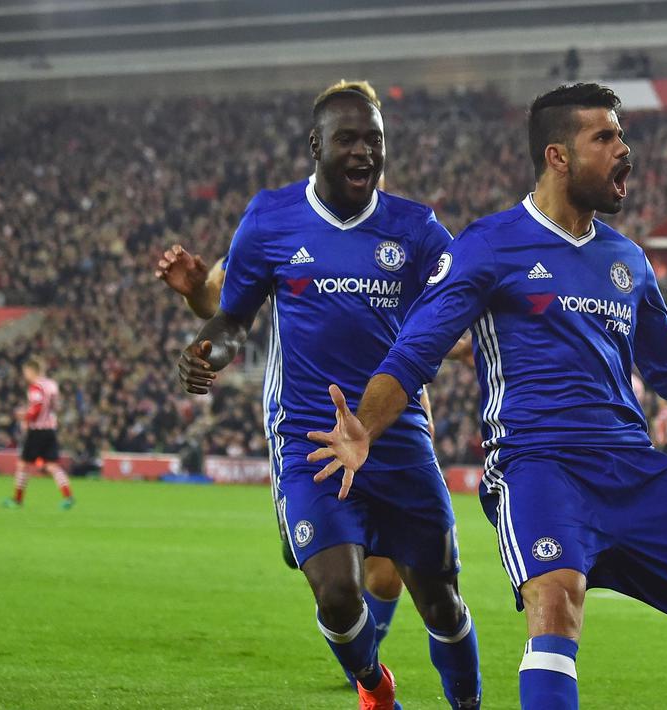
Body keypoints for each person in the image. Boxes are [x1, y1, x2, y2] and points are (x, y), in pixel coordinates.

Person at [306, 83, 667, 709]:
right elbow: (415, 351)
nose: (625, 151)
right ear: (558, 156)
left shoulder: (628, 261)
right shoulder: (489, 245)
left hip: (634, 469)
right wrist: (367, 424)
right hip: (538, 464)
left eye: (622, 135)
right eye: (606, 137)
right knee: (555, 602)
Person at [175, 80, 481, 709]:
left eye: (375, 139)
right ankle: (374, 687)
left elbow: (464, 312)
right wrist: (212, 348)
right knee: (339, 593)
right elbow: (234, 317)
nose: (364, 151)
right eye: (348, 138)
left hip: (397, 440)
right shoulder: (271, 217)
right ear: (315, 144)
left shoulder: (417, 229)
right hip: (310, 439)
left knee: (442, 599)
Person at [156, 241, 407, 689]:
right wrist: (195, 293)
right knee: (330, 578)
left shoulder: (405, 233)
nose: (367, 169)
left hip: (387, 418)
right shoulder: (279, 225)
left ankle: (366, 672)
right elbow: (218, 303)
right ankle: (364, 665)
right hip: (307, 425)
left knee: (388, 575)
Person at [4, 357, 74, 510]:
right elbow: (56, 406)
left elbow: (37, 408)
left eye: (25, 372)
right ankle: (68, 496)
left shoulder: (36, 387)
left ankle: (17, 500)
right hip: (50, 429)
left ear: (31, 371)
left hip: (37, 430)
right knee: (52, 466)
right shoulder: (52, 384)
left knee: (23, 465)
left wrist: (25, 416)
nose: (25, 375)